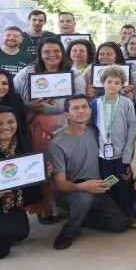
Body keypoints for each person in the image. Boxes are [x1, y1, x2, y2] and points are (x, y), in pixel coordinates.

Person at [15, 37, 86, 224]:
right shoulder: (28, 72)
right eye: (47, 51)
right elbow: (12, 97)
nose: (51, 55)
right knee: (42, 167)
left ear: (62, 53)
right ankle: (45, 209)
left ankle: (68, 205)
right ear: (40, 53)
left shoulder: (74, 73)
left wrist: (47, 108)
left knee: (65, 166)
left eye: (56, 51)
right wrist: (29, 105)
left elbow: (79, 99)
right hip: (36, 131)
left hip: (65, 128)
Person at [48, 95, 129, 250]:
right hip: (71, 189)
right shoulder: (56, 144)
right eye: (75, 108)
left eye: (84, 107)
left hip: (96, 185)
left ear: (90, 110)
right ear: (66, 115)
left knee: (120, 224)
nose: (81, 111)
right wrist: (83, 187)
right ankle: (69, 231)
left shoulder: (96, 131)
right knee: (84, 199)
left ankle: (82, 217)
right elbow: (60, 184)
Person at [89, 65, 136, 228]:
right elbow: (90, 129)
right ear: (103, 83)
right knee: (108, 185)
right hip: (102, 155)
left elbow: (132, 129)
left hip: (121, 154)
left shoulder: (126, 103)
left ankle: (130, 213)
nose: (112, 85)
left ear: (122, 85)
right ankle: (115, 215)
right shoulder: (94, 104)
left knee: (124, 185)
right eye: (109, 81)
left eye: (117, 82)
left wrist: (127, 156)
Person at [0, 105, 46, 259]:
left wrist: (42, 169)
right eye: (0, 123)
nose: (6, 127)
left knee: (19, 233)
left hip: (10, 203)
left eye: (10, 122)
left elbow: (28, 172)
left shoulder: (22, 143)